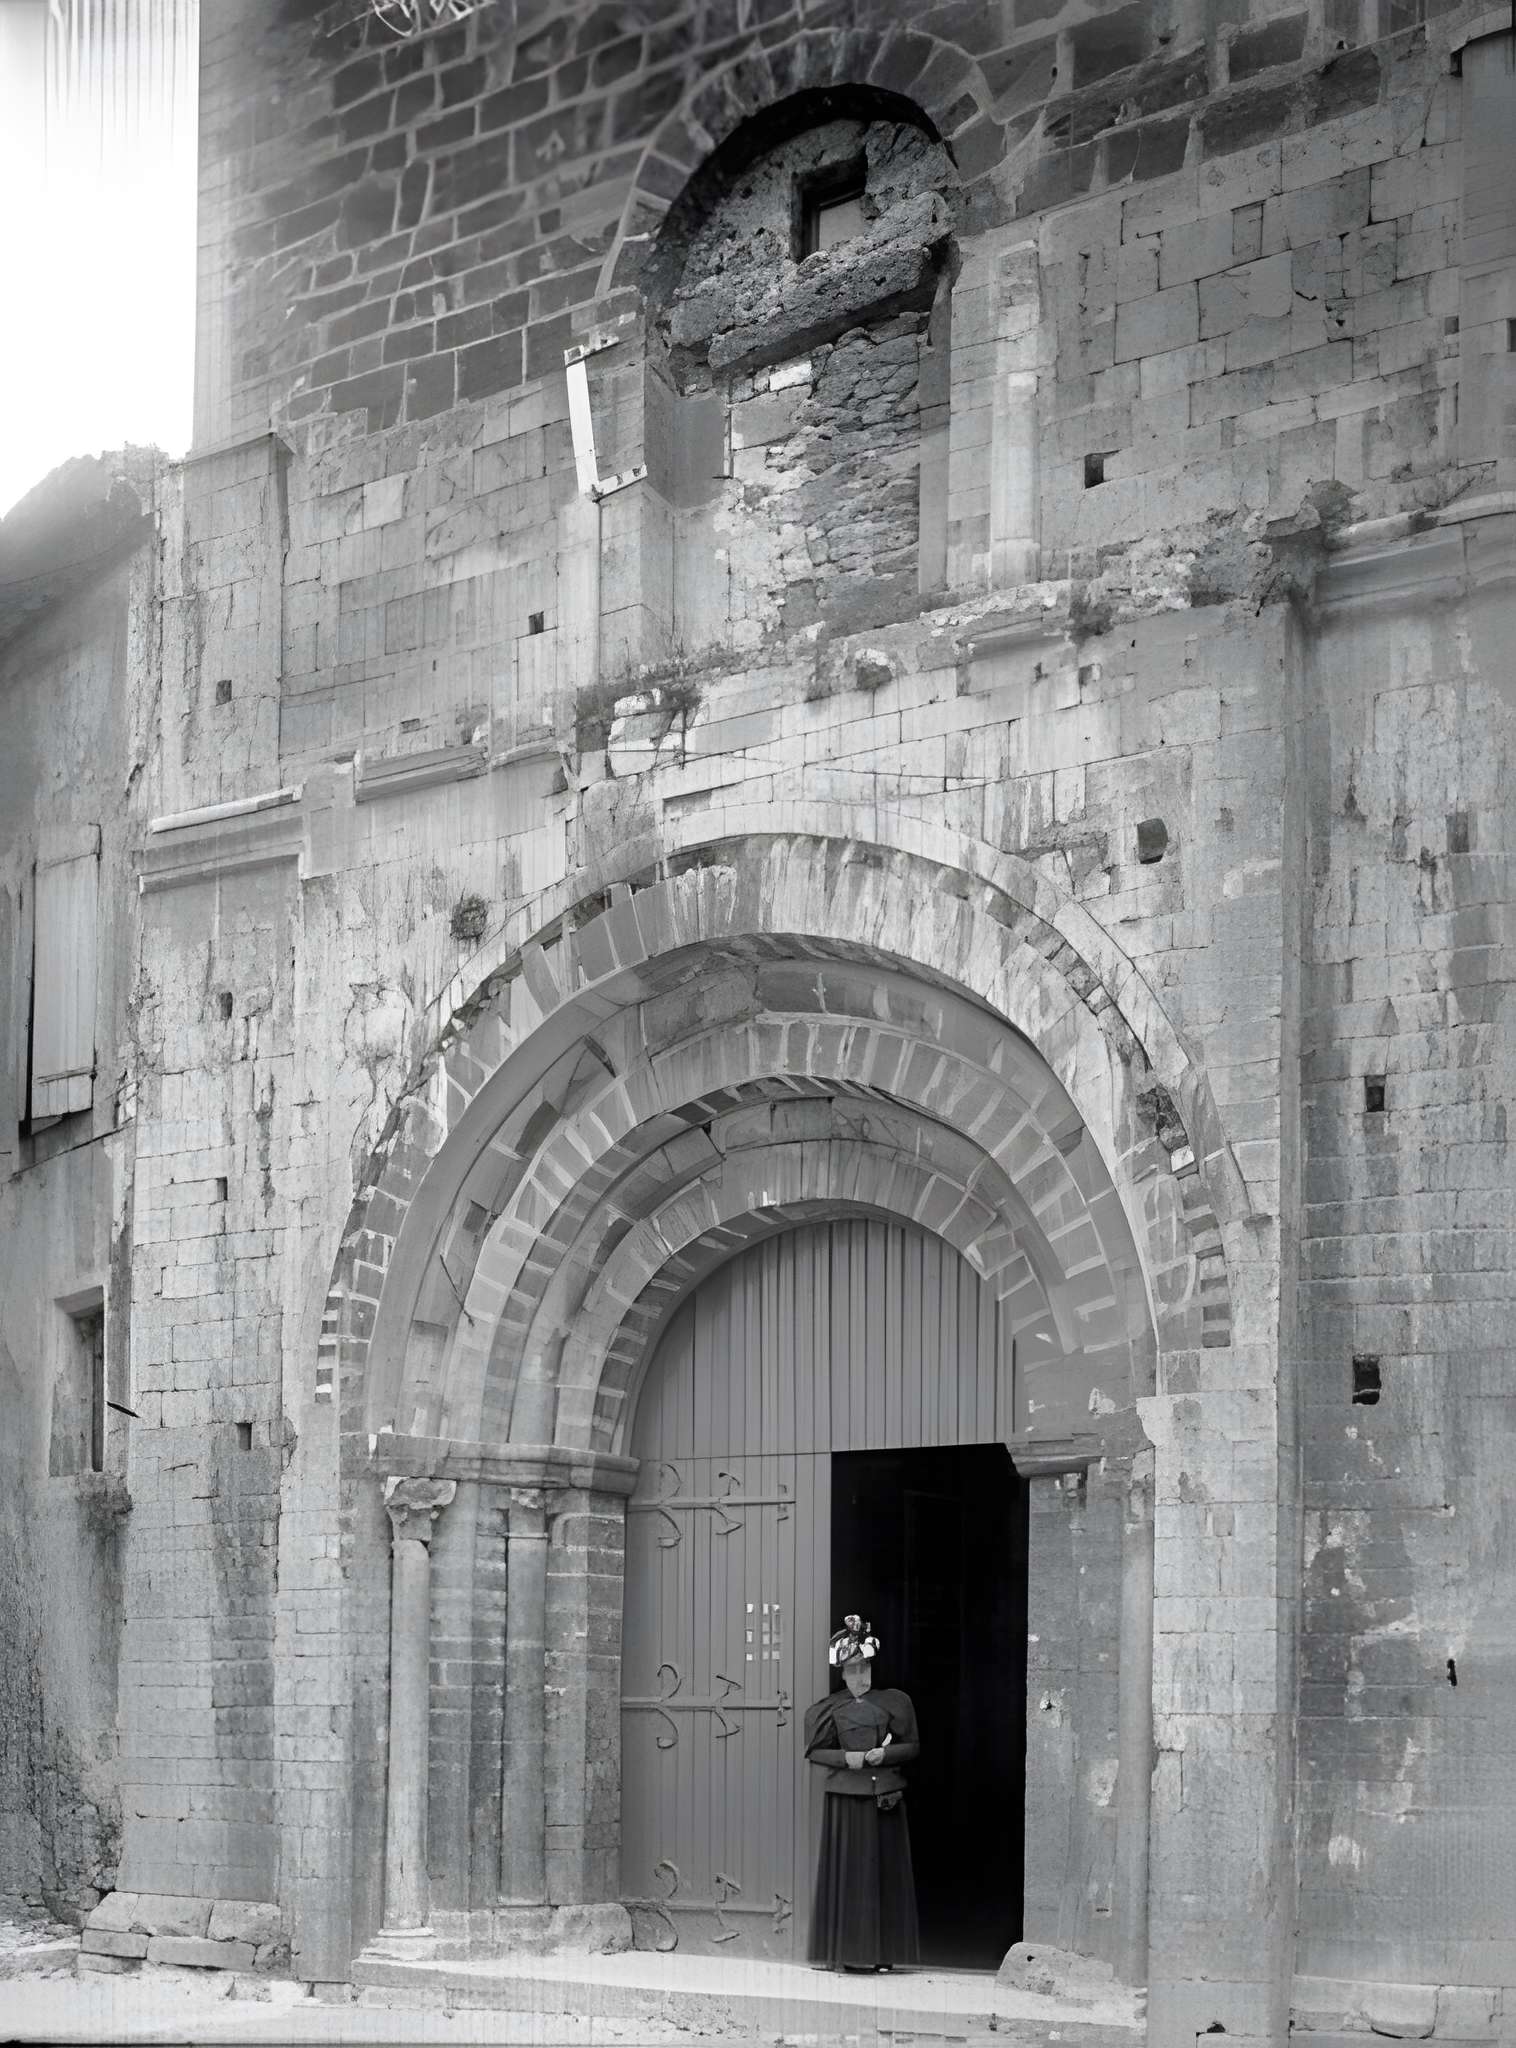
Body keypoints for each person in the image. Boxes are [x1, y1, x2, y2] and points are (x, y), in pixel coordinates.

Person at [803, 1613, 922, 1972]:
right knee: (850, 1876)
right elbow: (814, 1751)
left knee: (884, 1877)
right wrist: (848, 1758)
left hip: (884, 1799)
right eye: (852, 1670)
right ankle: (847, 1954)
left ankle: (885, 1956)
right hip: (846, 1801)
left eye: (864, 1668)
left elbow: (913, 1746)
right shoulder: (827, 1709)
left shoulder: (896, 1702)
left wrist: (886, 1754)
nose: (859, 1677)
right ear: (841, 1673)